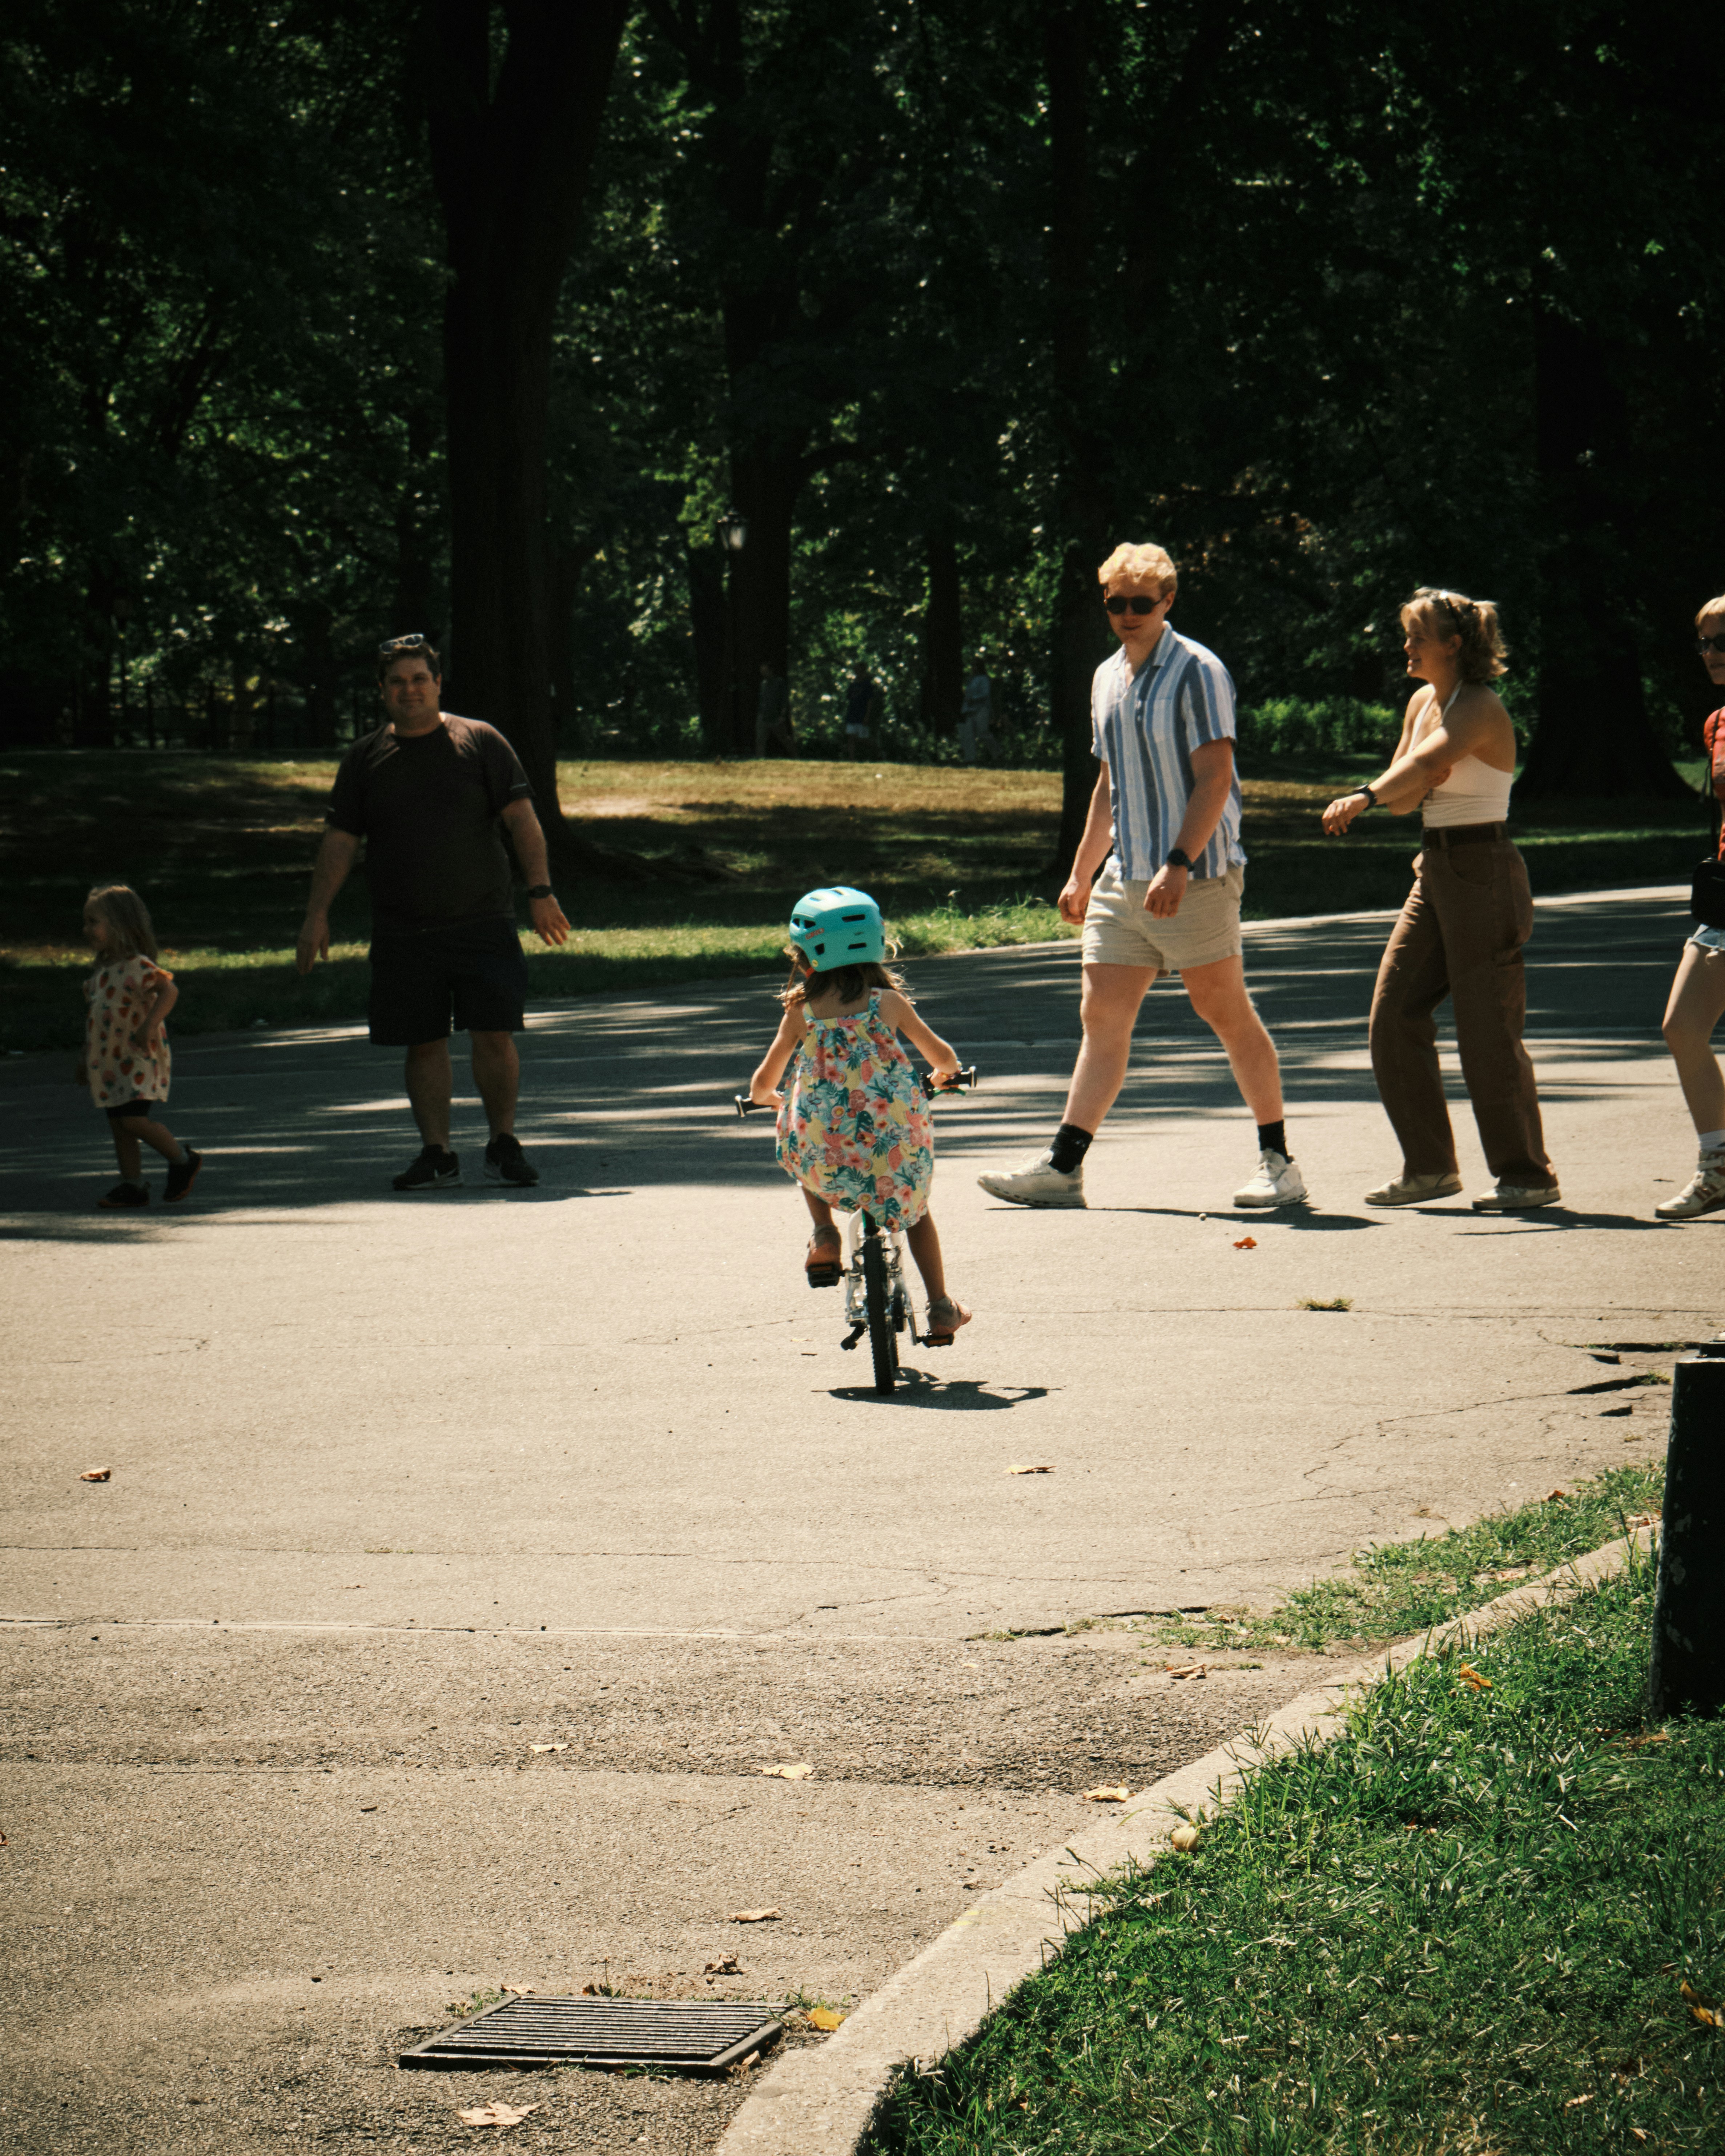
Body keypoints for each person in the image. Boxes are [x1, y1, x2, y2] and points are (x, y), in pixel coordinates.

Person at [976, 541, 1305, 1211]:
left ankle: (1279, 1161)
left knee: (1223, 1010)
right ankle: (1064, 1167)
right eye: (1115, 604)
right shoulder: (1106, 677)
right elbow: (1109, 782)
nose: (1127, 615)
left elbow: (1215, 778)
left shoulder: (1198, 671)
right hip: (1123, 879)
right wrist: (1081, 871)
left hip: (1197, 875)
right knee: (1101, 1017)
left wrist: (1179, 863)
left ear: (1168, 601)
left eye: (1140, 604)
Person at [295, 634, 571, 1191]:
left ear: (437, 683)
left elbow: (522, 819)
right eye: (397, 681)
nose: (410, 690)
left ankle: (502, 1144)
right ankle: (437, 1153)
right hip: (403, 927)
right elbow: (341, 840)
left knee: (493, 1032)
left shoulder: (480, 741)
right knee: (423, 1040)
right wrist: (316, 914)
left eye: (420, 678)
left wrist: (540, 892)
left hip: (482, 919)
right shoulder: (365, 758)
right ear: (382, 691)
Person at [1321, 588, 1559, 1211]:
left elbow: (1414, 772)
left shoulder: (1478, 706)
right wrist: (1401, 786)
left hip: (1484, 867)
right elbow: (1409, 791)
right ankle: (1429, 1168)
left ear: (1454, 644)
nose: (1407, 647)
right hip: (1435, 869)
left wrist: (1364, 795)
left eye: (1417, 636)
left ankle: (1527, 1176)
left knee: (1486, 1032)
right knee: (1392, 1016)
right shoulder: (1424, 701)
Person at [747, 885, 972, 1344]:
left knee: (802, 1151)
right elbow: (943, 1057)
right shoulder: (885, 1004)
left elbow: (762, 1085)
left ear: (805, 959)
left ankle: (825, 1235)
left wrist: (775, 1100)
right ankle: (942, 1308)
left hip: (826, 1152)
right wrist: (947, 1075)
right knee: (916, 1215)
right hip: (893, 1149)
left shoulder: (801, 1012)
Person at [1652, 595, 1725, 1219]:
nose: (1709, 654)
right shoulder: (1717, 722)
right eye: (1702, 643)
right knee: (1681, 1025)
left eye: (1720, 641)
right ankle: (1718, 1164)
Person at [77, 883, 202, 1210]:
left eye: (94, 922)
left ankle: (181, 1160)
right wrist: (84, 1058)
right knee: (120, 1126)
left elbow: (169, 992)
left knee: (133, 1121)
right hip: (109, 1062)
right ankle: (133, 1185)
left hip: (138, 1056)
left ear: (121, 925)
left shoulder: (138, 965)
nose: (86, 929)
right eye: (87, 922)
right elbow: (96, 1019)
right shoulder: (101, 974)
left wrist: (149, 1026)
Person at [959, 658, 997, 765]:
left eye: (975, 666)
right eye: (973, 666)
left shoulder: (984, 679)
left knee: (983, 732)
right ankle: (970, 759)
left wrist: (974, 699)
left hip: (981, 709)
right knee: (968, 735)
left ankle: (998, 753)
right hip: (969, 709)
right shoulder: (971, 680)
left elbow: (985, 694)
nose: (973, 668)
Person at [756, 661, 796, 755]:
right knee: (760, 740)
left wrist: (782, 715)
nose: (763, 673)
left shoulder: (779, 682)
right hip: (764, 718)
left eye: (765, 671)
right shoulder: (763, 684)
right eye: (762, 671)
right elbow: (762, 700)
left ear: (771, 671)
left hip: (776, 718)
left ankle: (796, 757)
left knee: (785, 739)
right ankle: (760, 761)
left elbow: (784, 700)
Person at [843, 662, 874, 760]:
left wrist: (867, 716)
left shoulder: (868, 685)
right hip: (852, 714)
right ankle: (851, 760)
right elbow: (849, 699)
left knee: (862, 739)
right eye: (856, 670)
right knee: (851, 738)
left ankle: (877, 752)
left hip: (862, 714)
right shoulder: (853, 685)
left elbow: (870, 701)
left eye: (859, 670)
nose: (857, 672)